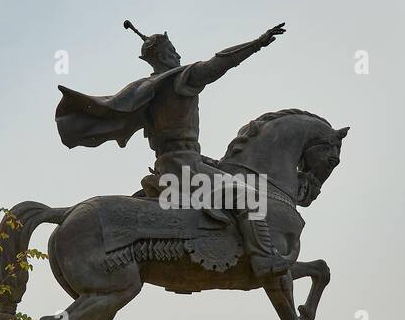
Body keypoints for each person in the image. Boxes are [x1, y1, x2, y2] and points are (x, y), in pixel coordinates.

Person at [54, 19, 291, 280]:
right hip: (186, 169)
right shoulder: (181, 79)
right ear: (166, 54)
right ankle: (265, 258)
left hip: (168, 167)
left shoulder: (144, 90)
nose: (178, 54)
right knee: (249, 197)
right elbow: (220, 62)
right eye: (174, 50)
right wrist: (257, 43)